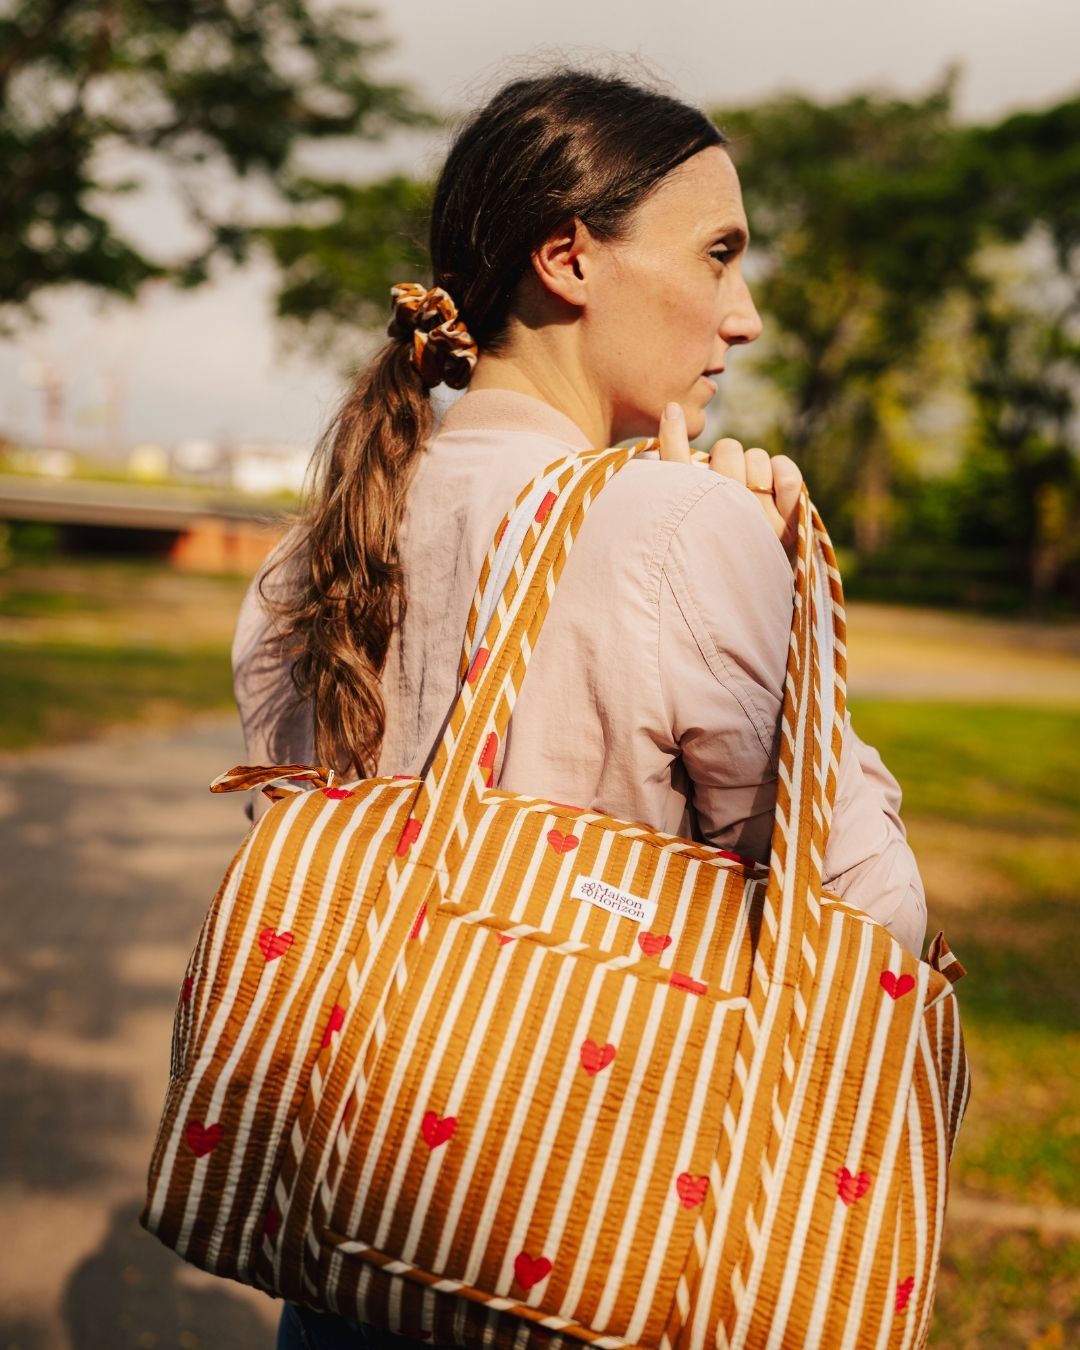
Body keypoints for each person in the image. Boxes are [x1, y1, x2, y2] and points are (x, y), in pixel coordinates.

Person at [231, 66, 927, 1350]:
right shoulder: (680, 524)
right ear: (569, 259)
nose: (747, 315)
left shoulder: (312, 551)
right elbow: (869, 915)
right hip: (584, 1259)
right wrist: (778, 596)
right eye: (718, 255)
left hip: (348, 1244)